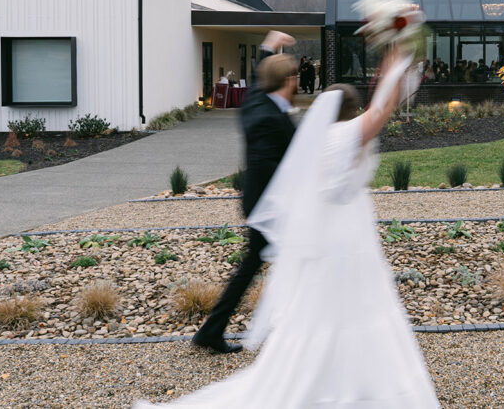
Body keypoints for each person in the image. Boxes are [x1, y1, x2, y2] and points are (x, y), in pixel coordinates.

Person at [136, 47, 439, 408]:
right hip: (343, 241)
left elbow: (376, 111)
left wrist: (392, 68)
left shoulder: (317, 139)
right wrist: (396, 61)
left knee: (322, 314)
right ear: (351, 112)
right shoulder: (344, 136)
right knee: (351, 309)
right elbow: (382, 110)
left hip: (324, 237)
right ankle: (344, 383)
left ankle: (320, 374)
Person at [190, 31, 297, 355]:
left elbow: (258, 79)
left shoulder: (257, 101)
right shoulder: (269, 118)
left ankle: (211, 330)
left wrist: (268, 47)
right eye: (294, 76)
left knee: (252, 266)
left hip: (259, 202)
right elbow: (270, 166)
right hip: (268, 206)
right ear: (288, 81)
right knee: (293, 261)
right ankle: (299, 334)